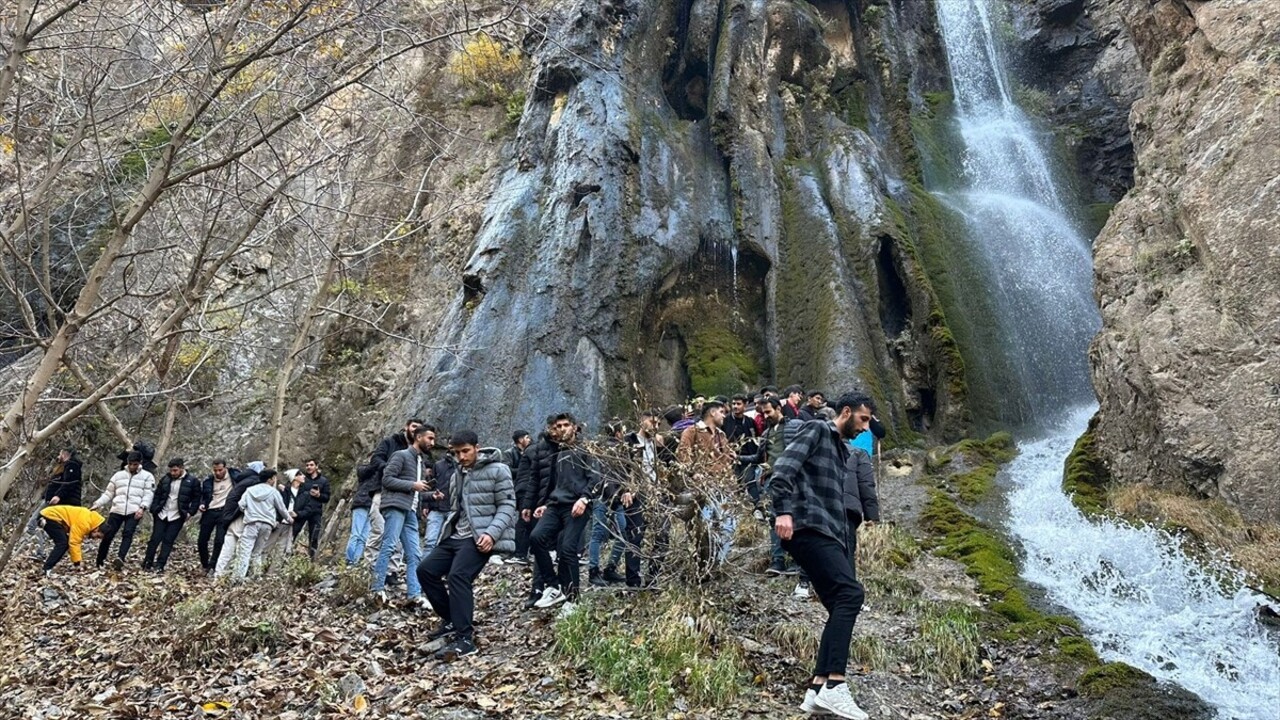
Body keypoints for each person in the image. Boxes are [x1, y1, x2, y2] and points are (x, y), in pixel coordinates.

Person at [771, 392, 871, 720]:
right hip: (805, 525)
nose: (865, 427)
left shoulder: (843, 451)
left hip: (826, 531)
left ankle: (816, 689)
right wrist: (783, 512)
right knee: (850, 593)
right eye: (863, 419)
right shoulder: (816, 430)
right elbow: (783, 468)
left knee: (840, 602)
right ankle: (835, 686)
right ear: (846, 412)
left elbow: (835, 505)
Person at [417, 431, 517, 661]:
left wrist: (491, 534)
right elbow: (456, 508)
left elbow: (508, 505)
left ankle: (465, 638)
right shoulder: (457, 474)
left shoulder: (498, 470)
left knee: (458, 576)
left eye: (465, 451)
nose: (461, 456)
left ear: (477, 448)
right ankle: (452, 619)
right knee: (425, 570)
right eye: (456, 452)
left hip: (480, 537)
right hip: (456, 536)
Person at [530, 413, 600, 610]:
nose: (562, 429)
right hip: (556, 504)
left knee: (568, 549)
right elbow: (557, 483)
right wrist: (546, 503)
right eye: (558, 426)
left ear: (575, 427)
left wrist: (585, 499)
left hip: (577, 505)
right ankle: (553, 586)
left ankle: (573, 599)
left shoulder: (587, 450)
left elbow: (596, 478)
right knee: (536, 538)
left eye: (566, 425)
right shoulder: (559, 452)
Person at [370, 425, 434, 605]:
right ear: (418, 437)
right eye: (429, 438)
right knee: (389, 545)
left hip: (410, 510)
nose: (432, 443)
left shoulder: (420, 462)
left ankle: (414, 595)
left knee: (414, 554)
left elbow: (415, 490)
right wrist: (413, 485)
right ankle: (377, 589)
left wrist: (429, 495)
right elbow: (387, 479)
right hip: (395, 506)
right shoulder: (401, 455)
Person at [516, 416, 559, 609]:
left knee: (563, 548)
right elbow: (531, 478)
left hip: (562, 504)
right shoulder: (537, 450)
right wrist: (527, 504)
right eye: (552, 427)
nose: (556, 430)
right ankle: (538, 588)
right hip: (540, 504)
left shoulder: (567, 448)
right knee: (540, 545)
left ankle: (559, 588)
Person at [92, 452, 156, 570]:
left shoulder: (147, 476)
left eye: (135, 464)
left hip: (134, 510)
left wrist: (142, 507)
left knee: (128, 533)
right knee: (108, 534)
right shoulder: (118, 475)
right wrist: (98, 503)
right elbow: (109, 493)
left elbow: (148, 494)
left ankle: (120, 558)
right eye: (130, 464)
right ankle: (100, 560)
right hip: (117, 509)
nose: (132, 467)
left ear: (140, 463)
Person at [141, 458, 201, 572]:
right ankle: (147, 562)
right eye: (171, 471)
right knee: (154, 539)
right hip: (162, 513)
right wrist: (154, 509)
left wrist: (190, 512)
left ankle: (160, 565)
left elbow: (196, 498)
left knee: (168, 541)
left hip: (178, 515)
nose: (173, 473)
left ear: (182, 468)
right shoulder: (165, 479)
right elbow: (157, 494)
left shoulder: (193, 481)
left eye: (175, 470)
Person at [588, 421, 628, 587]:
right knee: (602, 532)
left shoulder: (610, 449)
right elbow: (608, 475)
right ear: (618, 433)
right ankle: (595, 570)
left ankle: (608, 568)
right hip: (606, 497)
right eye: (623, 430)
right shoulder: (612, 451)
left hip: (612, 497)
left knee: (619, 531)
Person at [235, 469, 291, 580]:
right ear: (270, 479)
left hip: (252, 523)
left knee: (245, 550)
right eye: (274, 478)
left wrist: (249, 511)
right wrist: (289, 519)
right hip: (267, 525)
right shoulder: (274, 492)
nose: (275, 480)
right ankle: (256, 576)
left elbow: (241, 505)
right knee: (258, 552)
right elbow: (282, 508)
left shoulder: (249, 490)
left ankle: (238, 578)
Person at [213, 461, 265, 578]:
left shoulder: (242, 480)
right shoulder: (254, 482)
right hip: (241, 518)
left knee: (228, 546)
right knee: (244, 548)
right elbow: (246, 503)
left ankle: (219, 573)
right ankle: (239, 576)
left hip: (231, 517)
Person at [38, 505, 105, 575]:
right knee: (62, 543)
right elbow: (74, 542)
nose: (95, 538)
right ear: (96, 529)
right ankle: (47, 568)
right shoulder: (85, 523)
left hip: (50, 516)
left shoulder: (89, 519)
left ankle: (48, 567)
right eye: (97, 536)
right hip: (49, 516)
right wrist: (77, 562)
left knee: (64, 543)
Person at [198, 460, 235, 573]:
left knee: (219, 540)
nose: (218, 473)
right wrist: (202, 504)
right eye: (215, 470)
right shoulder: (208, 481)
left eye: (220, 470)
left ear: (225, 468)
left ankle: (213, 564)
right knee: (202, 540)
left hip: (224, 511)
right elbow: (204, 496)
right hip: (210, 511)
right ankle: (205, 563)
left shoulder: (234, 476)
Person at [290, 459, 330, 559]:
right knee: (293, 533)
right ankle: (286, 555)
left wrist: (319, 495)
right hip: (302, 511)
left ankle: (311, 560)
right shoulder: (302, 479)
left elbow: (327, 498)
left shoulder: (324, 481)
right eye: (307, 465)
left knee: (314, 537)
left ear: (317, 466)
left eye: (311, 465)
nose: (309, 467)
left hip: (315, 512)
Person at [503, 430, 532, 565]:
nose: (529, 439)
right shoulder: (510, 453)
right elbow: (506, 470)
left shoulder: (531, 451)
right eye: (526, 437)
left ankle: (524, 552)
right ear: (520, 440)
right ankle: (519, 552)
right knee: (521, 520)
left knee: (526, 520)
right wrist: (524, 468)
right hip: (516, 490)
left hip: (527, 489)